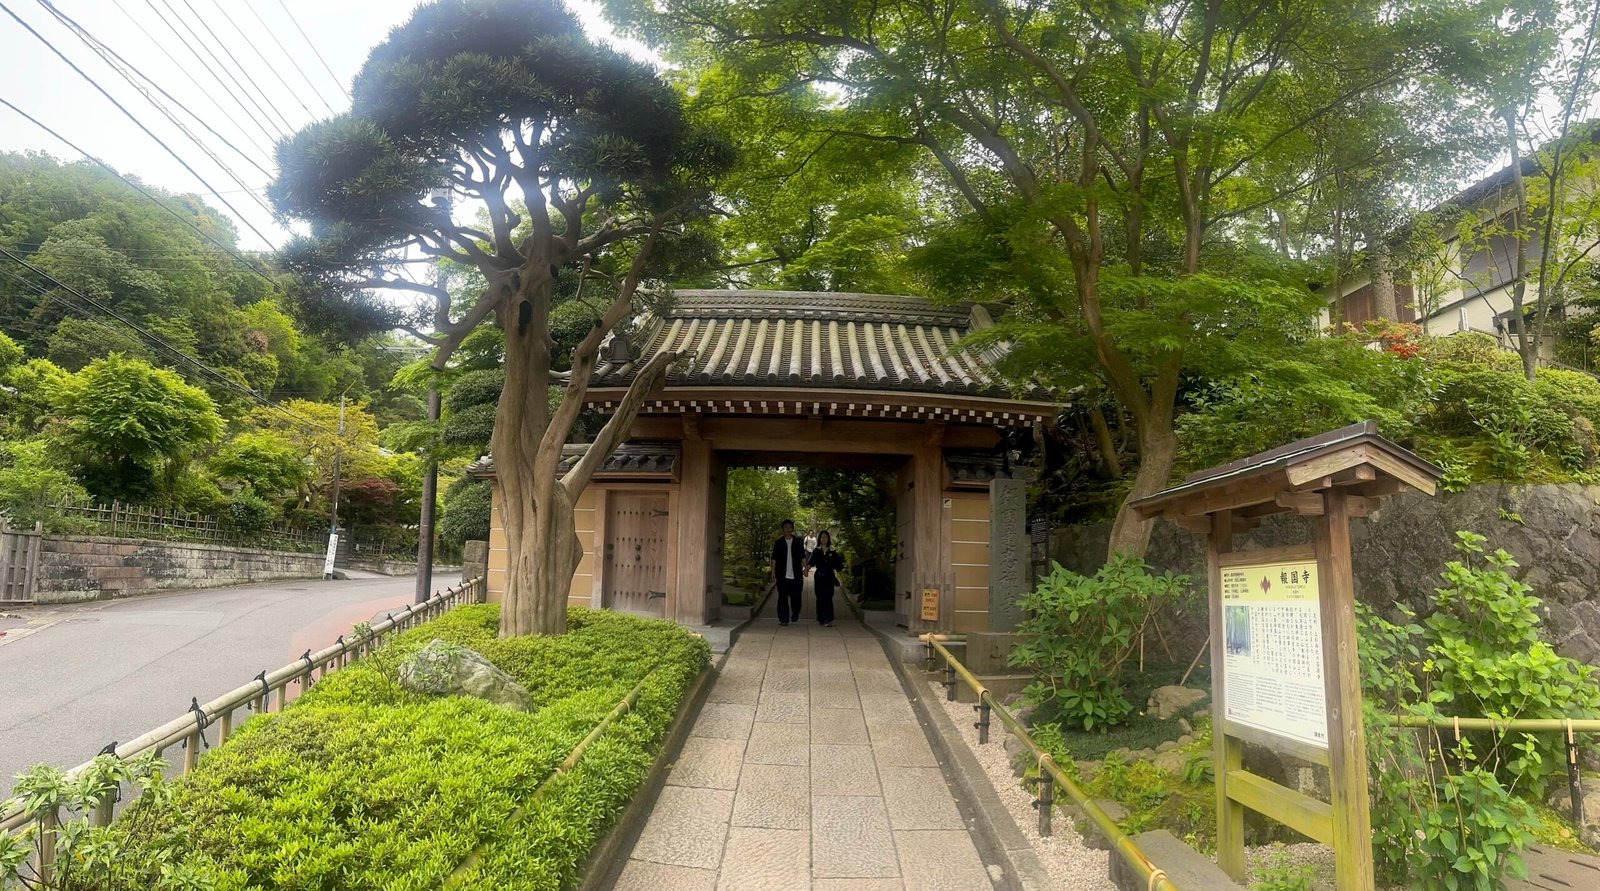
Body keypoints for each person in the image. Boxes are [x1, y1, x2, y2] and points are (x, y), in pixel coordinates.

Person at [770, 518, 807, 626]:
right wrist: (773, 572)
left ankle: (795, 612)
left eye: (790, 527)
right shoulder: (779, 543)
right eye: (785, 527)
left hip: (796, 574)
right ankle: (783, 619)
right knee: (782, 597)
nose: (788, 529)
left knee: (796, 597)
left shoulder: (798, 542)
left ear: (792, 529)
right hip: (782, 575)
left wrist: (806, 568)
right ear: (783, 529)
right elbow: (774, 558)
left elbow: (802, 556)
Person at [807, 529, 844, 627]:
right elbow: (810, 563)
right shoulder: (816, 551)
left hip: (829, 577)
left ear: (828, 539)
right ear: (819, 539)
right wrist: (806, 569)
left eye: (825, 537)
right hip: (819, 576)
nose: (823, 539)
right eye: (822, 537)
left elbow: (839, 566)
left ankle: (828, 618)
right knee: (819, 598)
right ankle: (821, 618)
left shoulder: (832, 552)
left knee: (828, 597)